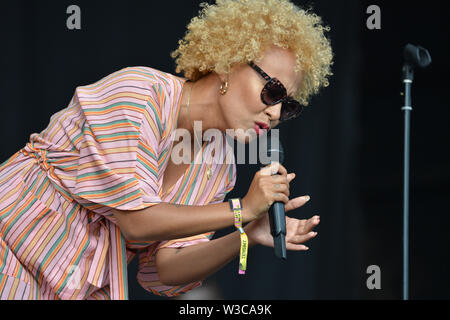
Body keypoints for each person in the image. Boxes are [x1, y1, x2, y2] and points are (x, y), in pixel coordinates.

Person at [0, 0, 333, 299]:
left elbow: (166, 269)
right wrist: (241, 208)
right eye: (273, 91)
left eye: (287, 106)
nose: (275, 113)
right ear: (229, 63)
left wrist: (245, 233)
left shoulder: (218, 164)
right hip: (11, 250)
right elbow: (138, 222)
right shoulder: (139, 96)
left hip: (68, 284)